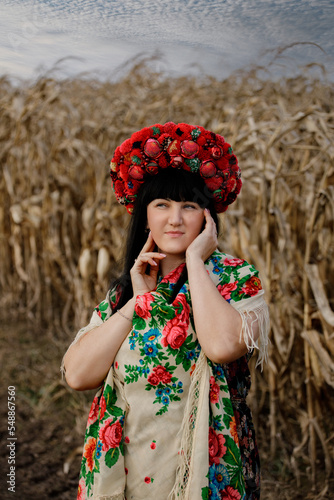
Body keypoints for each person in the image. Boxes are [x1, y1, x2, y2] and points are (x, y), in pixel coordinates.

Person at [63, 122, 270, 500]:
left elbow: (222, 346)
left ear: (207, 219)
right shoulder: (125, 291)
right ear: (145, 216)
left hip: (208, 466)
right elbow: (77, 375)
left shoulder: (234, 278)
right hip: (132, 464)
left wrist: (194, 259)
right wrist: (136, 304)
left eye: (188, 206)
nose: (174, 219)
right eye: (162, 205)